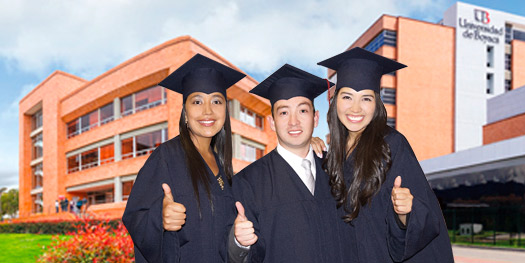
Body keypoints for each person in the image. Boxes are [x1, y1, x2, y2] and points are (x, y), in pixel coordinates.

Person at [312, 47, 454, 262]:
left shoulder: (392, 144)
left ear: (376, 104)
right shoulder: (332, 157)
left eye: (366, 99)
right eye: (348, 97)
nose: (356, 108)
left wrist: (406, 213)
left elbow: (426, 217)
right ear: (334, 100)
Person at [122, 54, 246, 262]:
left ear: (225, 110)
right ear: (185, 113)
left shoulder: (223, 166)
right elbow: (135, 216)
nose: (208, 111)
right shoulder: (165, 157)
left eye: (216, 101)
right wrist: (159, 218)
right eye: (197, 101)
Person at [229, 64, 343, 262]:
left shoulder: (337, 171)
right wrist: (240, 243)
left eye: (302, 111)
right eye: (283, 113)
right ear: (272, 122)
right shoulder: (248, 182)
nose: (293, 122)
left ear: (315, 118)